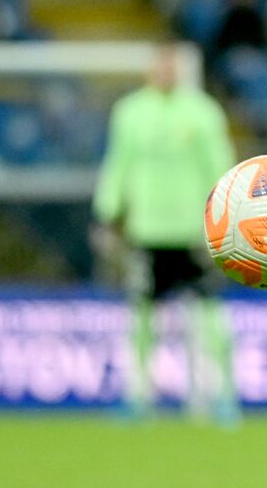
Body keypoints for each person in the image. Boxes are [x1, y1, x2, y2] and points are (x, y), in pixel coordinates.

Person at [92, 45, 238, 424]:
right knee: (141, 315)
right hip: (147, 230)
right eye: (160, 64)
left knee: (210, 313)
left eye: (172, 64)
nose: (166, 70)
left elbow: (219, 166)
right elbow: (118, 164)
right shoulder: (130, 112)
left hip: (194, 232)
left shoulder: (203, 112)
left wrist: (225, 220)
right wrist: (108, 214)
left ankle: (224, 396)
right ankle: (138, 396)